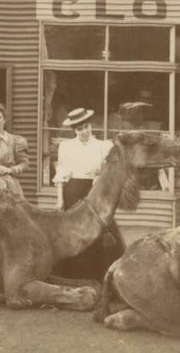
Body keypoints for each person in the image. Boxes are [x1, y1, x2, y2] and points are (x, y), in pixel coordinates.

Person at [53, 107, 124, 279]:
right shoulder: (66, 147)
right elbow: (62, 174)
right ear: (74, 131)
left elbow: (109, 170)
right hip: (73, 192)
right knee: (76, 232)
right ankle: (76, 276)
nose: (84, 132)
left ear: (90, 126)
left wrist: (99, 178)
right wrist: (60, 199)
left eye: (86, 127)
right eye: (79, 129)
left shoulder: (103, 146)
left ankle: (103, 275)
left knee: (100, 231)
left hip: (95, 191)